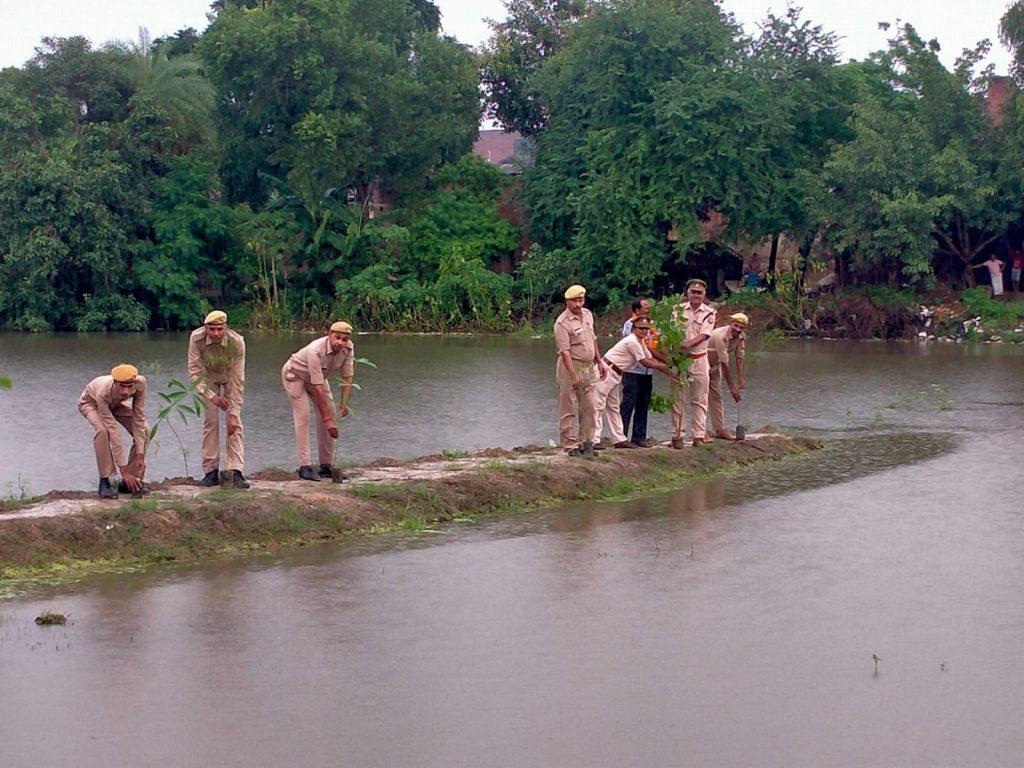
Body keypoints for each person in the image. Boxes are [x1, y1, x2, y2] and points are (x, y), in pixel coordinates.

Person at [282, 322, 356, 481]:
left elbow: (347, 377)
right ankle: (305, 466)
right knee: (304, 415)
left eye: (344, 339)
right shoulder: (316, 350)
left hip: (318, 379)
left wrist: (344, 402)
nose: (340, 343)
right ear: (330, 334)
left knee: (331, 411)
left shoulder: (348, 348)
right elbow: (317, 388)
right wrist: (327, 420)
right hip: (295, 374)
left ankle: (326, 465)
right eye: (337, 338)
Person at [595, 317, 679, 448]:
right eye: (641, 328)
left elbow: (651, 359)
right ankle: (594, 440)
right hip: (607, 370)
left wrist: (670, 371)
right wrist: (665, 369)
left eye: (646, 329)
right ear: (633, 329)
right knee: (598, 405)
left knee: (613, 407)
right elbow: (645, 362)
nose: (644, 331)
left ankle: (619, 439)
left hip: (616, 373)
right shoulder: (632, 341)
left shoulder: (640, 343)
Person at [187, 310, 249, 489]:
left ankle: (235, 471)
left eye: (219, 329)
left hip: (230, 378)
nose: (215, 334)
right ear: (206, 328)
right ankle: (210, 471)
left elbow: (238, 378)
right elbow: (194, 373)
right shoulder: (196, 338)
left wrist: (233, 413)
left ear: (225, 327)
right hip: (207, 379)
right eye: (211, 329)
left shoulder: (237, 342)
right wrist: (212, 396)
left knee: (235, 423)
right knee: (211, 421)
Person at [77, 364, 149, 499]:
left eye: (129, 386)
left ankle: (130, 482)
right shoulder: (103, 392)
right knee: (103, 432)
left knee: (145, 429)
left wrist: (140, 454)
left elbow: (138, 417)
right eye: (122, 386)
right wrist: (123, 470)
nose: (126, 392)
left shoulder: (141, 384)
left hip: (116, 404)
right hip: (91, 404)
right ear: (115, 382)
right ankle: (104, 482)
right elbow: (113, 431)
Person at [554, 284, 607, 457]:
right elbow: (565, 351)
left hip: (588, 366)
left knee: (591, 406)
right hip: (571, 366)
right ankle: (569, 444)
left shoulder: (588, 315)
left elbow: (592, 340)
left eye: (581, 300)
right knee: (568, 406)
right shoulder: (562, 323)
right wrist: (573, 375)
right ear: (567, 302)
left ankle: (587, 442)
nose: (578, 304)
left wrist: (600, 362)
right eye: (575, 301)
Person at [670, 279, 717, 448]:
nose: (696, 295)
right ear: (687, 293)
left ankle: (698, 435)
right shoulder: (677, 310)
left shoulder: (709, 313)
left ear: (704, 295)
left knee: (699, 399)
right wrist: (675, 349)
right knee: (677, 399)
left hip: (699, 359)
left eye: (700, 292)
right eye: (693, 291)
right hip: (680, 360)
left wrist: (686, 345)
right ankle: (677, 436)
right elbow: (672, 332)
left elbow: (704, 335)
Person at [619, 298, 658, 447]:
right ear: (637, 310)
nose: (648, 309)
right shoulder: (630, 325)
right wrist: (662, 366)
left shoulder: (652, 325)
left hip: (647, 371)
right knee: (628, 403)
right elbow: (639, 346)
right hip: (632, 370)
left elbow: (656, 344)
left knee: (643, 403)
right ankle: (620, 437)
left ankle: (639, 437)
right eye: (645, 307)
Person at [706, 313, 748, 440]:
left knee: (717, 396)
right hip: (702, 362)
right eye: (736, 326)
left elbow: (739, 356)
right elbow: (725, 363)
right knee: (701, 396)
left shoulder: (741, 337)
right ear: (731, 324)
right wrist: (732, 388)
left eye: (741, 327)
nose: (738, 329)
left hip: (715, 364)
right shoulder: (720, 336)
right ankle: (700, 430)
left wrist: (741, 378)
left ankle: (719, 429)